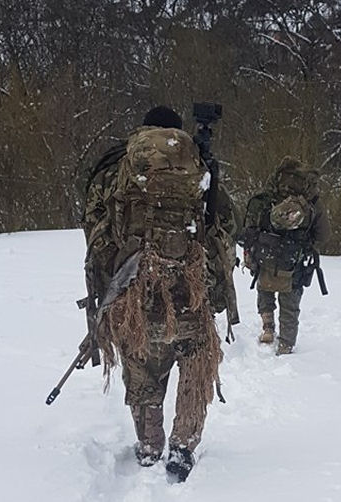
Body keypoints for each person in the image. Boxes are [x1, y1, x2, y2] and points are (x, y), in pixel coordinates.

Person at [81, 106, 234, 482]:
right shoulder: (198, 169)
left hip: (135, 293)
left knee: (142, 370)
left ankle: (150, 445)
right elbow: (225, 226)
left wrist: (108, 291)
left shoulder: (118, 169)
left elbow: (95, 234)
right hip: (189, 291)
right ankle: (182, 448)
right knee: (196, 367)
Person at [238, 156, 331, 355]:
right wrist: (307, 244)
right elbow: (323, 234)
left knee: (265, 288)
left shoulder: (270, 193)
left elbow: (251, 224)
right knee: (290, 302)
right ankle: (286, 344)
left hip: (265, 252)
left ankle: (268, 328)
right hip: (294, 258)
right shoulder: (312, 200)